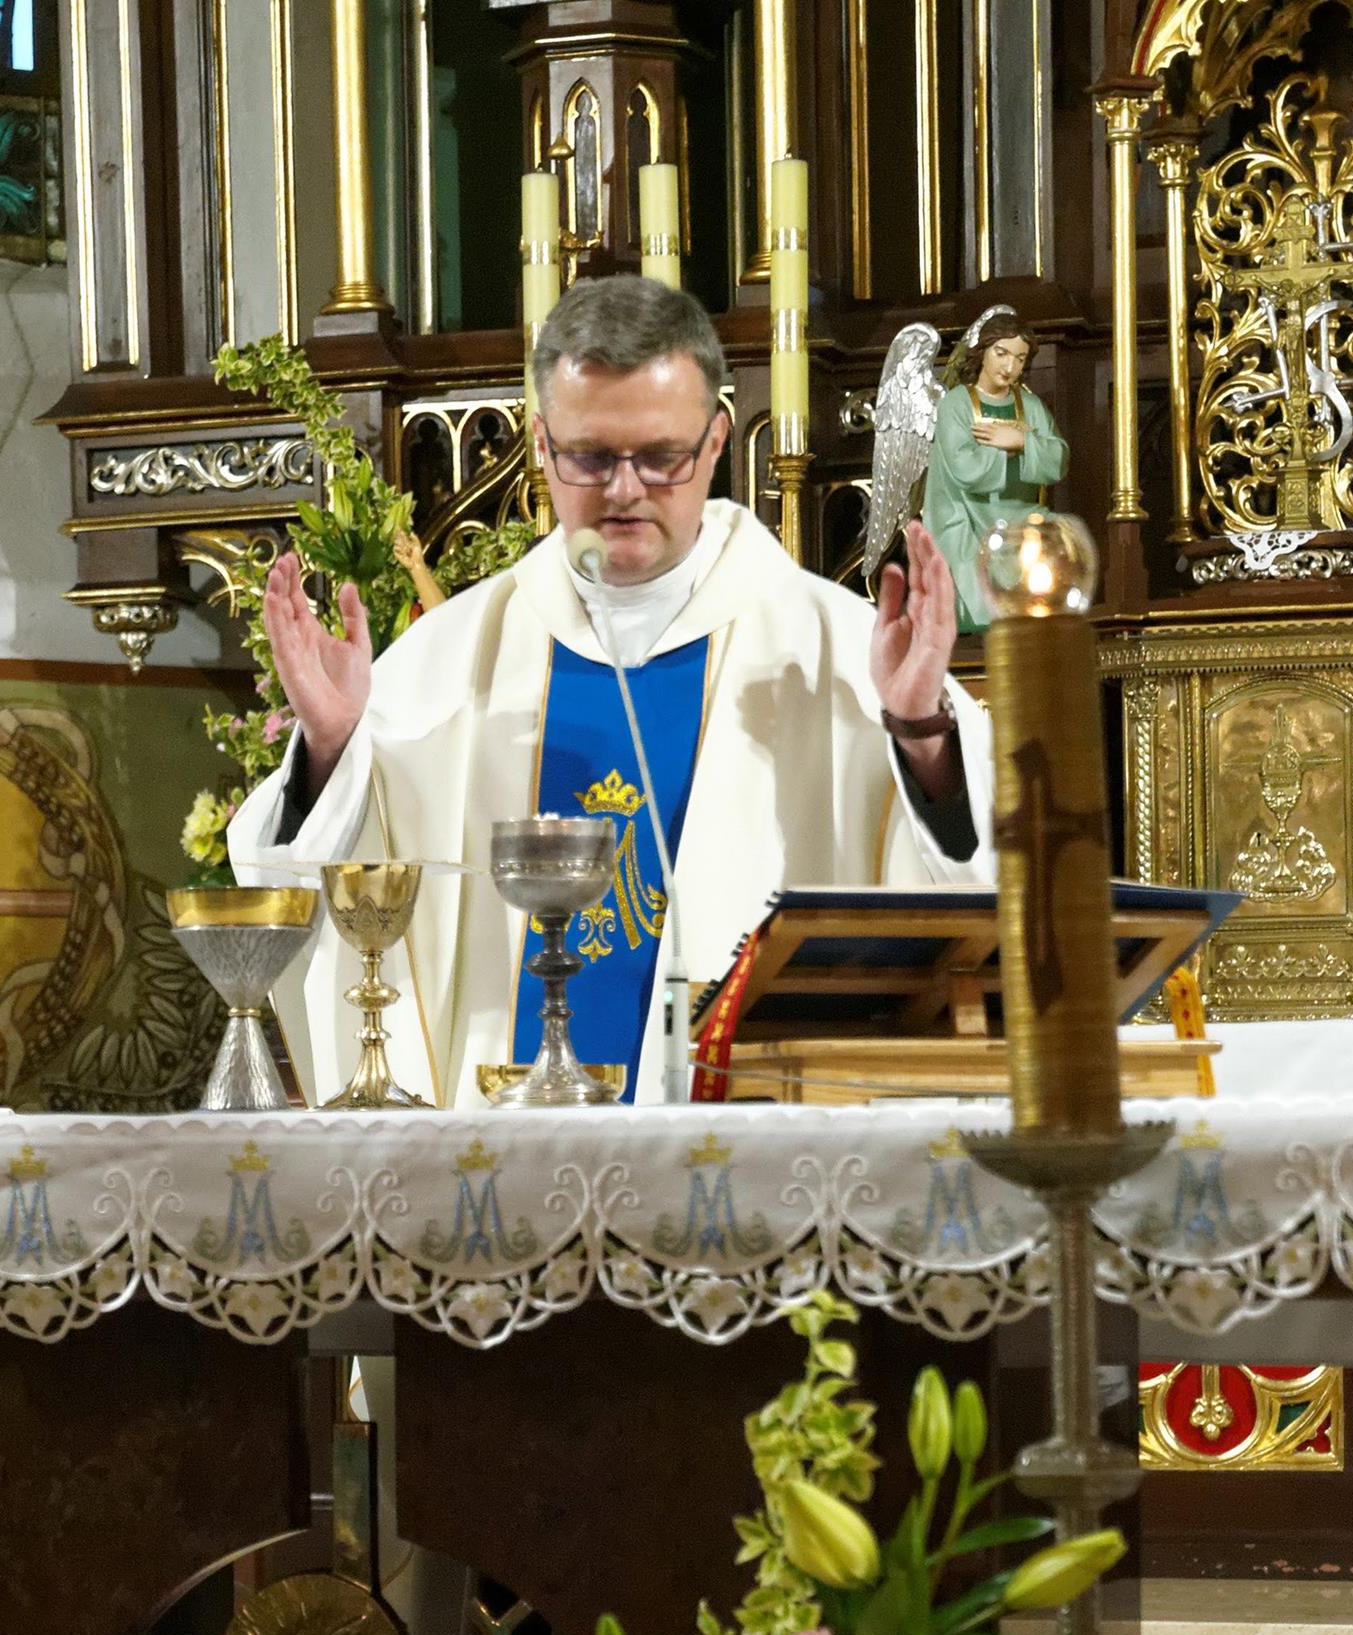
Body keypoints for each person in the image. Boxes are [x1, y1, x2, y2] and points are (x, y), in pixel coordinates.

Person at [228, 275, 996, 1106]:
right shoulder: (450, 659)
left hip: (755, 1146)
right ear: (541, 445)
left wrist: (920, 734)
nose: (625, 489)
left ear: (716, 442)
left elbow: (976, 895)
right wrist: (331, 751)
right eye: (591, 456)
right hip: (500, 1157)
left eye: (661, 457)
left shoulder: (834, 648)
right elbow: (313, 889)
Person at [922, 305, 1070, 631]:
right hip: (966, 514)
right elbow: (964, 468)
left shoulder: (1029, 405)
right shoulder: (957, 404)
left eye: (1019, 358)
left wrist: (1021, 442)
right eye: (1001, 353)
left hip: (1021, 516)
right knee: (971, 560)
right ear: (984, 351)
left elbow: (1058, 459)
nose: (1009, 366)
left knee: (1061, 539)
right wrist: (1008, 447)